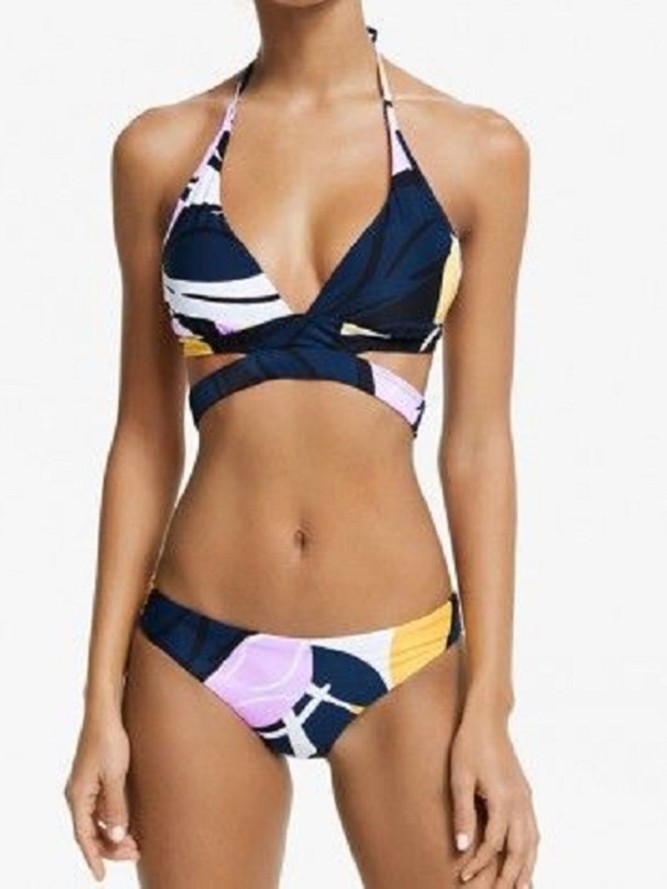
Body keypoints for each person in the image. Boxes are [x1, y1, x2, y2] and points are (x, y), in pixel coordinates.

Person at [64, 1, 539, 886]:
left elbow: (478, 445)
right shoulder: (160, 151)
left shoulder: (477, 151)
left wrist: (490, 706)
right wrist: (99, 698)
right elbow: (142, 437)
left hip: (402, 650)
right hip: (192, 653)